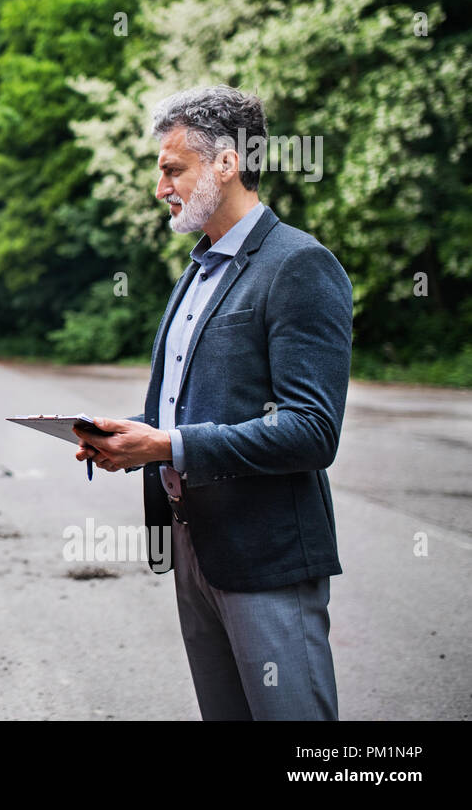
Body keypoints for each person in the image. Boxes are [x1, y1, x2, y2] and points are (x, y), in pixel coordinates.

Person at [73, 85, 352, 720]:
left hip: (266, 556)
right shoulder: (194, 274)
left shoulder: (300, 265)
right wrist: (126, 434)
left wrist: (167, 444)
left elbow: (311, 430)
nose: (159, 186)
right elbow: (188, 411)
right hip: (192, 542)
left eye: (173, 168)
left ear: (226, 163)